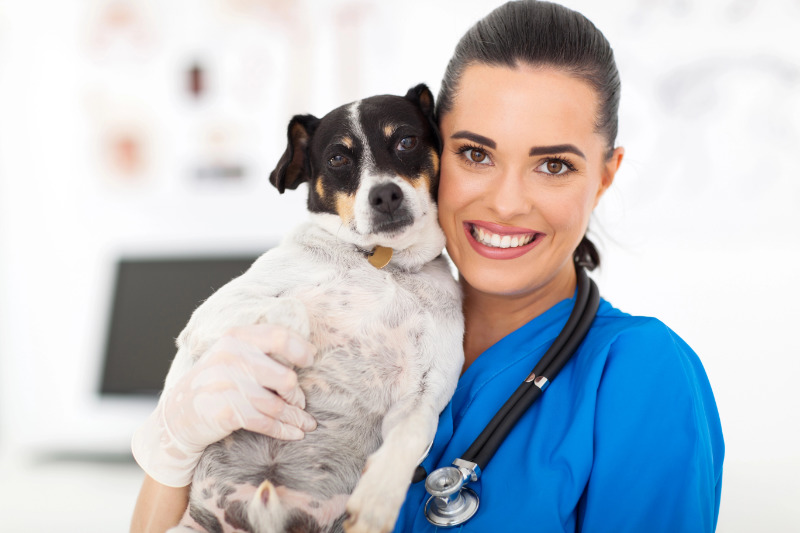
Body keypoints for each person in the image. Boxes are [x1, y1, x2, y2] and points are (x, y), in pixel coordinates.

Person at [130, 1, 724, 531]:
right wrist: (173, 446)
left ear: (605, 176)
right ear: (436, 153)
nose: (508, 201)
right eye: (476, 154)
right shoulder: (340, 325)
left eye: (554, 166)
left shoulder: (642, 373)